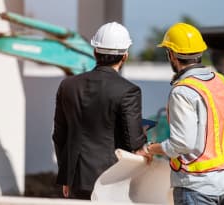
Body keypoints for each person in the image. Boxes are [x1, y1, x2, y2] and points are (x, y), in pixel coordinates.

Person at [52, 22, 150, 200]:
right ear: (125, 56)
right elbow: (134, 142)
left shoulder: (68, 86)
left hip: (76, 179)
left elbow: (59, 136)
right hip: (111, 180)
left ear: (95, 52)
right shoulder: (129, 91)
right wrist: (143, 133)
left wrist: (66, 177)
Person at [145, 22, 224, 205]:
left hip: (195, 188)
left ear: (172, 55)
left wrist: (151, 148)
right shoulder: (222, 82)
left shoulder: (183, 91)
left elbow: (182, 143)